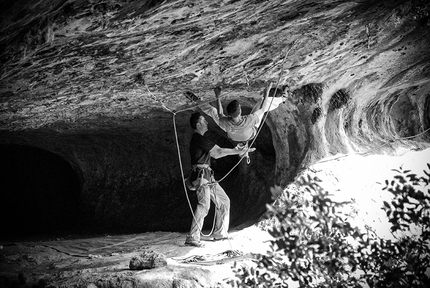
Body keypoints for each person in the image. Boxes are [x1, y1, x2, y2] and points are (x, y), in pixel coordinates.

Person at [185, 112, 256, 247]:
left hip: (207, 176)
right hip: (201, 177)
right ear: (198, 124)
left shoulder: (201, 138)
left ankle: (220, 233)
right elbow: (218, 152)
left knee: (224, 201)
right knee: (204, 205)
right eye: (204, 121)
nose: (207, 123)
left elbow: (217, 153)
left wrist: (237, 151)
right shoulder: (198, 138)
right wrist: (237, 151)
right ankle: (193, 237)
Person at [199, 83, 288, 158]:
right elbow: (263, 108)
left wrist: (218, 97)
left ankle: (197, 101)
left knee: (212, 112)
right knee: (262, 102)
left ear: (229, 114)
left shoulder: (224, 121)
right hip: (250, 132)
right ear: (240, 110)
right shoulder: (249, 120)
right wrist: (266, 92)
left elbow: (220, 113)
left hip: (230, 131)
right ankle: (283, 98)